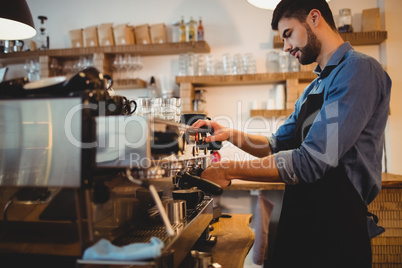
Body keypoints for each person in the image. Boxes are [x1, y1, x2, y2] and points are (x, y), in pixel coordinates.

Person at [192, 0, 391, 267]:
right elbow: (278, 144)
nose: (285, 47)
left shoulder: (358, 70)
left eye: (288, 34)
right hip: (302, 222)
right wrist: (229, 134)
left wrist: (228, 169)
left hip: (338, 233)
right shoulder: (313, 88)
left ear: (314, 18)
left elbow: (312, 161)